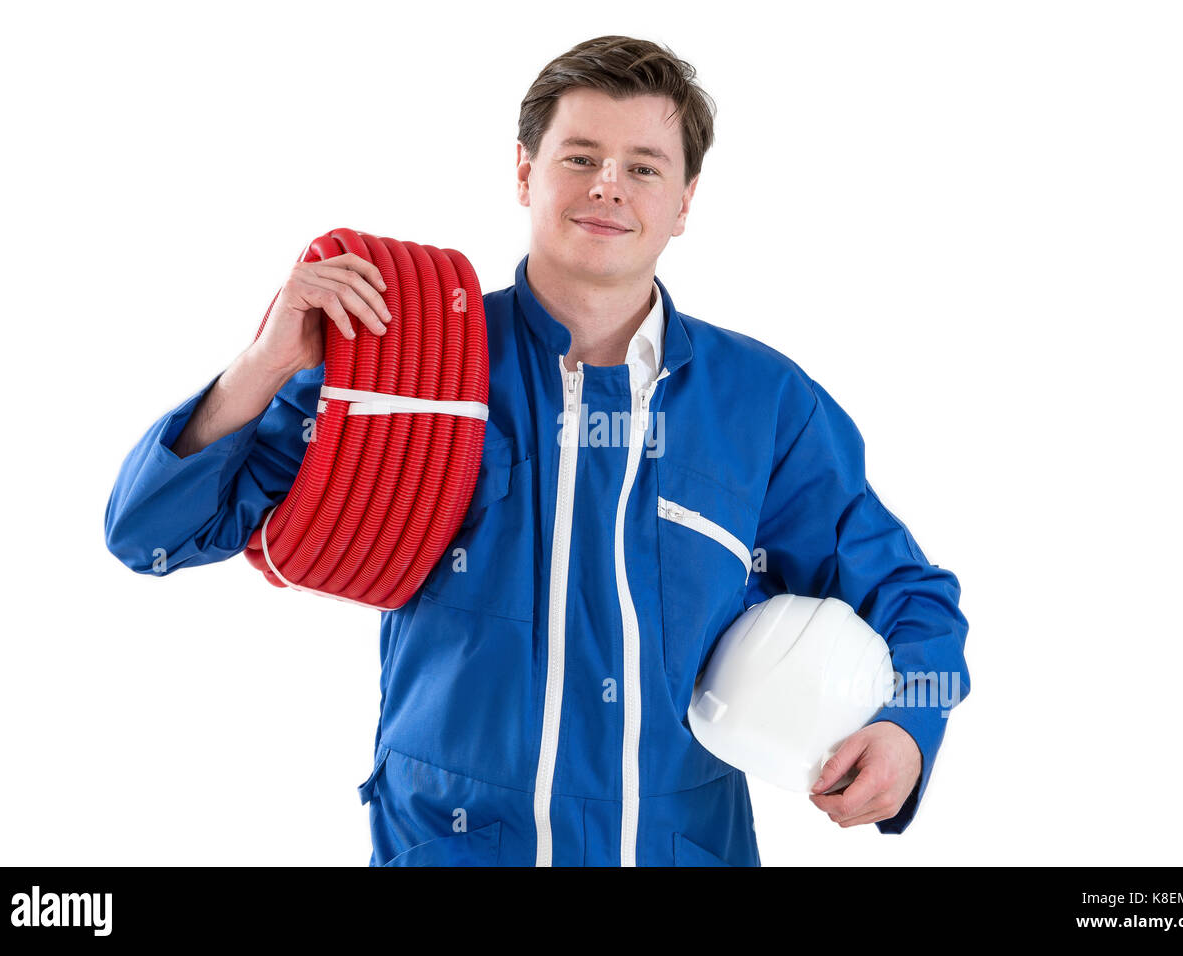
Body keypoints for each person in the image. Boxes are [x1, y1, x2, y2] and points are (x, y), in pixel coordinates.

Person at [104, 35, 970, 866]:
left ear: (685, 200)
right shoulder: (403, 360)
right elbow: (152, 532)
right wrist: (263, 366)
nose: (608, 187)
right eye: (579, 156)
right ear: (524, 171)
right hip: (450, 848)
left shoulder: (763, 403)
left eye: (643, 167)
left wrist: (906, 727)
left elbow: (905, 591)